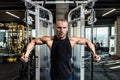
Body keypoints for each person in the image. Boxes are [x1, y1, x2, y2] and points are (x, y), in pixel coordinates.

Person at [21, 19, 101, 80]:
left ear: (67, 29)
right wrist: (26, 55)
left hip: (67, 75)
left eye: (64, 28)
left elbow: (87, 41)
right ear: (55, 28)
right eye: (59, 28)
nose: (61, 30)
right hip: (54, 75)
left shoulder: (72, 40)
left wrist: (94, 54)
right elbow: (33, 42)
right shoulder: (50, 40)